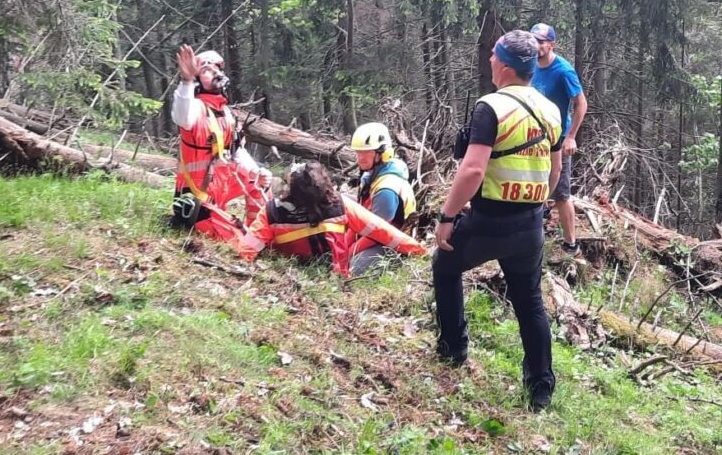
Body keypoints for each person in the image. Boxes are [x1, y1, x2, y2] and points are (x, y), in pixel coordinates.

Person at [432, 30, 562, 411]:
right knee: (530, 303)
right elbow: (555, 170)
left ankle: (452, 349)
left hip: (489, 221)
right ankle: (540, 388)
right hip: (530, 224)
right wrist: (537, 202)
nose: (489, 59)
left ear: (504, 65)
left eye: (493, 54)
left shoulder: (491, 107)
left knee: (446, 265)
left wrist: (447, 217)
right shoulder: (550, 110)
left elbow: (472, 170)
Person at [234, 162, 425, 277]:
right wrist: (419, 250)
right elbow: (382, 230)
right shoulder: (340, 204)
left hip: (289, 275)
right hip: (335, 278)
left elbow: (247, 249)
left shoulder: (272, 212)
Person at [171, 45, 272, 240]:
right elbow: (181, 116)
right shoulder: (196, 107)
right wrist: (186, 81)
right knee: (240, 240)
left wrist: (257, 173)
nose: (214, 72)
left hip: (220, 188)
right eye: (206, 70)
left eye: (216, 68)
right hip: (197, 198)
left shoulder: (226, 113)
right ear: (197, 79)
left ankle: (260, 231)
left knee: (260, 182)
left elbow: (235, 151)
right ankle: (247, 236)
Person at [530, 23, 588, 255]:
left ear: (552, 44)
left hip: (557, 137)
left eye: (541, 42)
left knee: (561, 193)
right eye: (534, 41)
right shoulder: (529, 65)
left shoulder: (563, 70)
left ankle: (571, 243)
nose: (537, 46)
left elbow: (581, 102)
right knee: (533, 181)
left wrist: (571, 137)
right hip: (533, 137)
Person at [349, 122, 417, 274]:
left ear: (382, 153)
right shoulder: (372, 174)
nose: (360, 158)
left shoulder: (386, 189)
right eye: (358, 152)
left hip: (394, 242)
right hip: (376, 231)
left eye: (366, 152)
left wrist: (349, 252)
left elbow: (377, 232)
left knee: (353, 267)